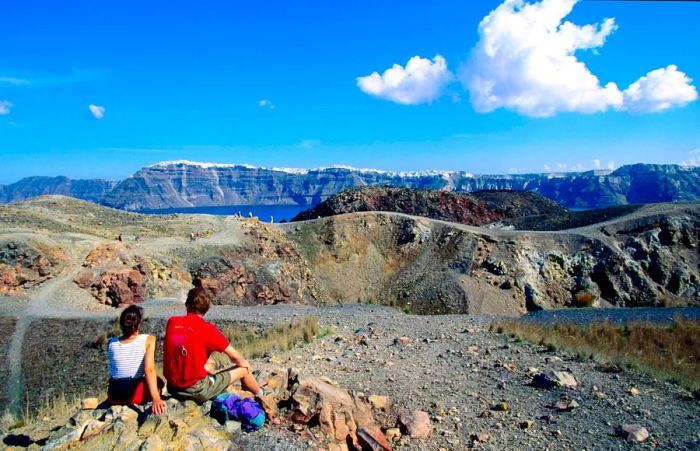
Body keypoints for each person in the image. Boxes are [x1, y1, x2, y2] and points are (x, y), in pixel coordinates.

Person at [163, 287, 265, 404]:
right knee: (244, 369)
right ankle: (261, 394)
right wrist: (243, 362)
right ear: (206, 309)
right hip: (196, 391)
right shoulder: (207, 329)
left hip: (172, 387)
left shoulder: (172, 322)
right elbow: (234, 356)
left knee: (211, 363)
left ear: (187, 305)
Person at [107, 305, 166, 415]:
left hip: (114, 395)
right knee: (159, 382)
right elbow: (149, 370)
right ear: (139, 323)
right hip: (134, 395)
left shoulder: (111, 342)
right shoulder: (148, 340)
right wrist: (156, 398)